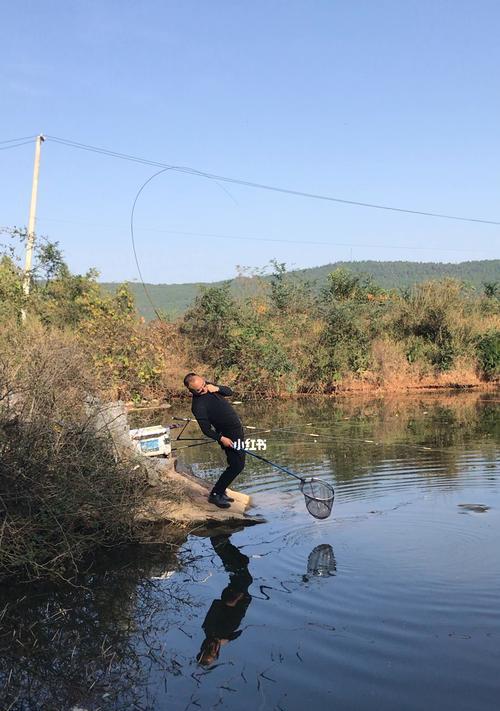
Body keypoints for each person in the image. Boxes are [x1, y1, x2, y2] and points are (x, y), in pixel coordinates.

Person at [183, 372, 245, 509]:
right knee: (237, 465)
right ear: (191, 390)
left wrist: (217, 388)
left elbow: (229, 391)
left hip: (237, 429)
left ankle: (220, 491)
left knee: (236, 464)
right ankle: (215, 494)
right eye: (199, 389)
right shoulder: (198, 406)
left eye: (204, 384)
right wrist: (221, 438)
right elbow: (206, 430)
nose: (204, 389)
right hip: (228, 435)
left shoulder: (209, 386)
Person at [196, 535, 253, 666]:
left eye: (210, 651)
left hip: (234, 594)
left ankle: (219, 543)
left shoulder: (210, 629)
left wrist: (234, 600)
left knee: (240, 571)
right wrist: (226, 639)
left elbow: (217, 606)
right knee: (242, 564)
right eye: (214, 653)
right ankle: (222, 543)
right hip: (240, 596)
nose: (214, 649)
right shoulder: (223, 636)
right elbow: (237, 632)